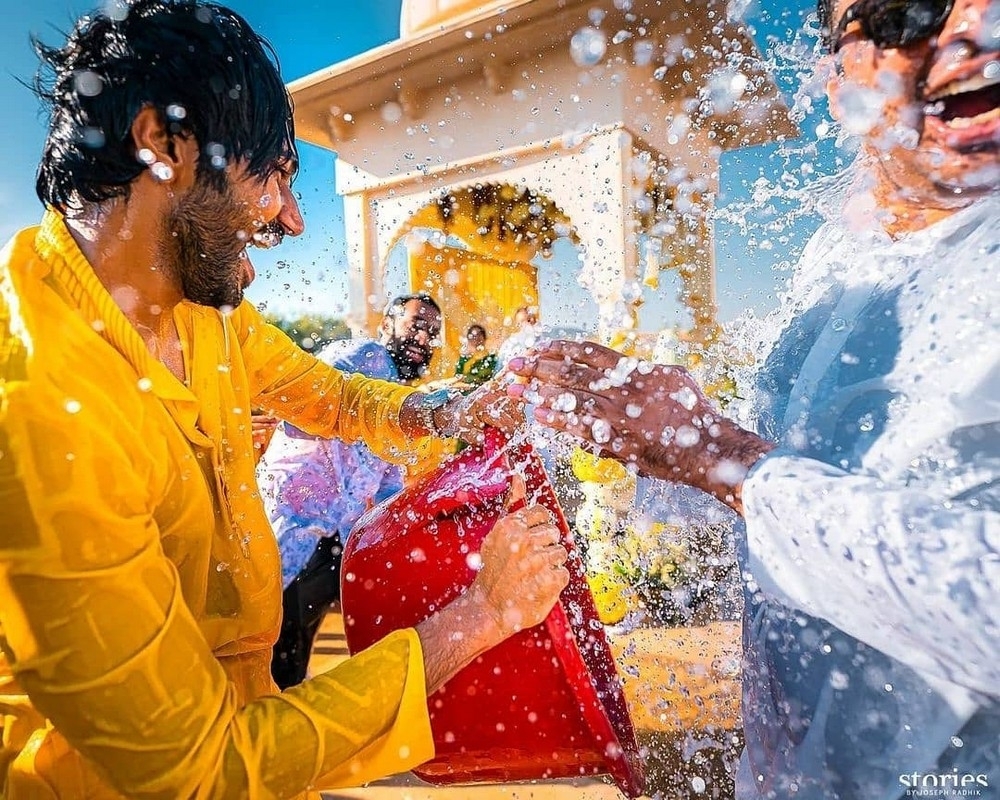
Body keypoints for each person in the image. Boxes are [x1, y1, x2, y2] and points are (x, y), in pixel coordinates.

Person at [0, 2, 569, 797]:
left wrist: (448, 413)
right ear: (163, 144)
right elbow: (201, 771)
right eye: (271, 174)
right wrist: (481, 615)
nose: (294, 219)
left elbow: (331, 396)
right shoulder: (41, 418)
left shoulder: (201, 316)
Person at [508, 0, 999, 797]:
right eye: (912, 8)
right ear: (838, 81)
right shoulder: (836, 261)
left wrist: (716, 454)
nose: (978, 31)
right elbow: (781, 500)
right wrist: (648, 451)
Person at [259, 292, 443, 689]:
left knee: (297, 654)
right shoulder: (364, 356)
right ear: (387, 326)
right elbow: (300, 407)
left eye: (432, 332)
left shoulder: (400, 396)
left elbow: (389, 479)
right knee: (273, 654)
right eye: (414, 326)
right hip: (293, 529)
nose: (423, 339)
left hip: (336, 541)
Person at [454, 323, 499, 389]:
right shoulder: (463, 359)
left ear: (484, 338)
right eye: (473, 335)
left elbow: (496, 380)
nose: (476, 338)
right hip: (467, 394)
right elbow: (457, 380)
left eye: (479, 335)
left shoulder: (492, 359)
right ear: (468, 339)